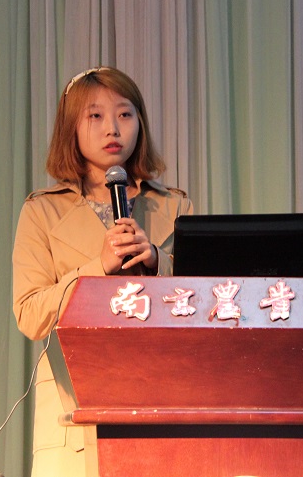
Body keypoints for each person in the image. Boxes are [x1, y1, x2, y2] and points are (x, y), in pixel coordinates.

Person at [12, 67, 193, 476]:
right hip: (75, 408)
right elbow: (30, 313)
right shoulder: (41, 211)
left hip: (160, 397)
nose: (112, 128)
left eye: (125, 114)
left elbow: (205, 302)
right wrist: (98, 268)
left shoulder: (175, 206)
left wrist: (157, 261)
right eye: (95, 116)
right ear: (71, 128)